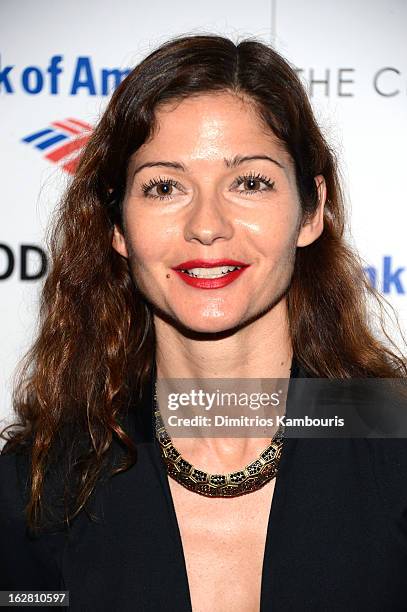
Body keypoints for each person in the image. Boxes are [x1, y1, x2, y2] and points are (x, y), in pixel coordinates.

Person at [1, 34, 407, 612]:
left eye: (250, 182)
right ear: (118, 227)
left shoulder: (396, 444)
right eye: (165, 186)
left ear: (311, 211)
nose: (207, 225)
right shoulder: (33, 491)